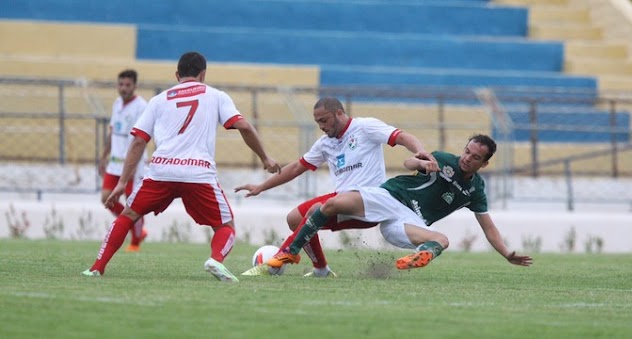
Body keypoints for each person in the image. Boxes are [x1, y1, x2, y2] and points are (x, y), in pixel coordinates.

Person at [82, 51, 281, 282]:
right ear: (203, 74)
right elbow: (244, 127)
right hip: (198, 174)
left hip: (161, 172)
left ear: (177, 75)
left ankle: (97, 266)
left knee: (128, 215)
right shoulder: (216, 96)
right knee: (225, 225)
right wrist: (265, 158)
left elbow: (138, 141)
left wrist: (122, 182)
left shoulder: (158, 100)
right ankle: (215, 259)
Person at [267, 134, 533, 271]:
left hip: (408, 221)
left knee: (442, 240)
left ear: (484, 164)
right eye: (467, 151)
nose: (466, 158)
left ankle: (419, 257)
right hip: (390, 197)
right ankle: (291, 251)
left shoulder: (476, 190)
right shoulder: (443, 159)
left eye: (475, 157)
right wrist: (421, 162)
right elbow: (407, 163)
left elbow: (488, 227)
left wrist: (507, 253)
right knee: (326, 206)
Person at [235, 97, 436, 277]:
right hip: (340, 200)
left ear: (339, 113)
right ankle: (321, 270)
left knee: (314, 210)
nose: (321, 126)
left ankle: (281, 257)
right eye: (317, 122)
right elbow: (297, 167)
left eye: (324, 120)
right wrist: (261, 186)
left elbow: (401, 137)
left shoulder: (365, 127)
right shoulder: (325, 143)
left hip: (371, 201)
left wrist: (420, 152)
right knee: (294, 219)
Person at [98, 69, 149, 252]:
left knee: (132, 204)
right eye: (121, 84)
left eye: (128, 85)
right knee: (106, 197)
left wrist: (134, 165)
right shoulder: (117, 103)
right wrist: (103, 157)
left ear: (135, 86)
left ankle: (135, 241)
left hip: (131, 165)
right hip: (113, 163)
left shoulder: (141, 106)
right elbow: (112, 132)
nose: (123, 88)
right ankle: (131, 225)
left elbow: (142, 138)